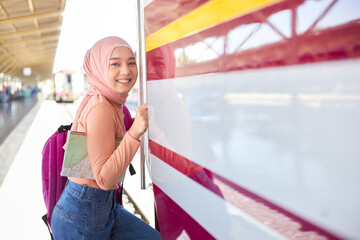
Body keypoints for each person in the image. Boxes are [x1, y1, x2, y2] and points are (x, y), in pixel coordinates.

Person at [51, 36, 161, 240]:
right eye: (115, 64)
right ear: (100, 68)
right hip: (82, 216)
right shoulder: (101, 107)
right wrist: (135, 131)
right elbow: (104, 179)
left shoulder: (110, 102)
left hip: (99, 206)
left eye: (131, 62)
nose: (126, 70)